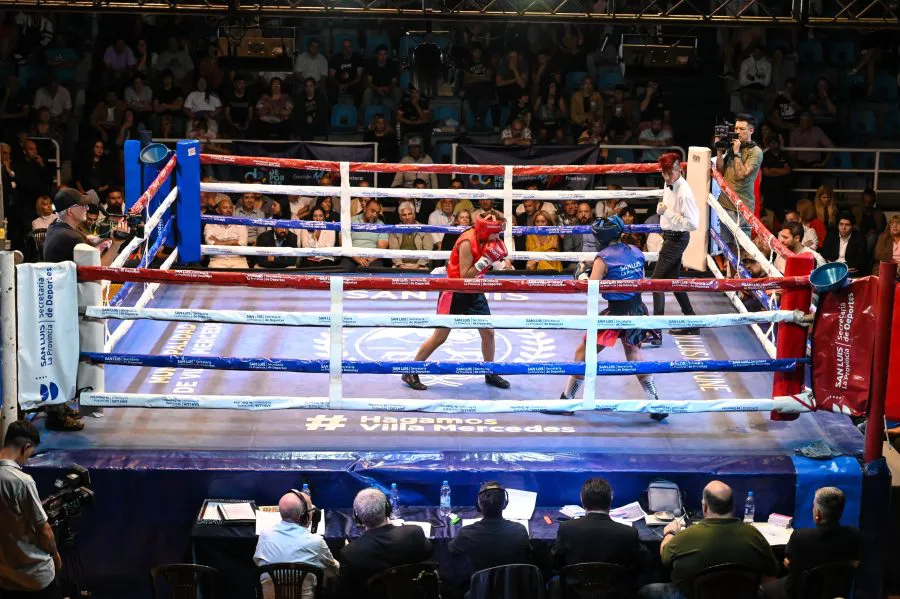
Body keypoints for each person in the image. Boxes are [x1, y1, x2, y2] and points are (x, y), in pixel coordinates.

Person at [560, 216, 665, 421]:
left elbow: (591, 287)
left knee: (584, 351)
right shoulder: (636, 251)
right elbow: (637, 278)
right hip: (637, 308)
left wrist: (582, 276)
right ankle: (655, 402)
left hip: (616, 312)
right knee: (634, 354)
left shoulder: (603, 258)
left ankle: (567, 400)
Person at [402, 213, 511, 392]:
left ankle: (489, 371)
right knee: (440, 337)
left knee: (488, 333)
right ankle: (410, 371)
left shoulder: (487, 240)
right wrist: (486, 260)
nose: (499, 236)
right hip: (454, 292)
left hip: (474, 291)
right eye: (497, 232)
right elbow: (463, 277)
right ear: (487, 229)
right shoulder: (467, 241)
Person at [638, 481, 778, 599]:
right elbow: (772, 574)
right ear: (733, 506)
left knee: (648, 591)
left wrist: (670, 532)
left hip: (689, 595)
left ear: (704, 506)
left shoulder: (686, 537)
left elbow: (665, 556)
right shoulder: (754, 535)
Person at [761, 487, 860, 599]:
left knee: (763, 589)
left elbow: (788, 562)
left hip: (799, 593)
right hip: (835, 594)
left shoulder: (800, 537)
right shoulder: (854, 535)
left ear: (817, 513)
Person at [0, 420, 62, 599]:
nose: (27, 460)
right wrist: (55, 554)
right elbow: (44, 531)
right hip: (34, 577)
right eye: (29, 454)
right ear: (26, 447)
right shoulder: (22, 481)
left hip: (5, 577)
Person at [551, 478, 650, 588]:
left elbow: (555, 563)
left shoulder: (566, 529)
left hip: (575, 592)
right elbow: (644, 563)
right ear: (611, 499)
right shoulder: (629, 533)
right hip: (615, 593)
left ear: (582, 500)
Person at [338, 489, 432, 599]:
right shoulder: (414, 533)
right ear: (388, 509)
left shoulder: (350, 553)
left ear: (357, 517)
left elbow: (347, 590)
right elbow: (429, 553)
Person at [442, 482, 531, 591]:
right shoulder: (520, 530)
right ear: (505, 504)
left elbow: (451, 548)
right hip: (512, 590)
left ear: (478, 506)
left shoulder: (467, 533)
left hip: (480, 590)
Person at [650, 153, 699, 341]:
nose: (667, 177)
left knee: (656, 282)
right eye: (664, 173)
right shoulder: (668, 182)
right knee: (673, 280)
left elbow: (693, 224)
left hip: (677, 239)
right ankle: (692, 323)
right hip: (671, 236)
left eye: (670, 173)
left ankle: (656, 331)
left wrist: (667, 213)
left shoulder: (684, 192)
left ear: (680, 170)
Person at [254, 491, 338, 599]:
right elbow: (333, 571)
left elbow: (257, 561)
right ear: (304, 516)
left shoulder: (264, 535)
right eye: (311, 510)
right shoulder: (316, 542)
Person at [715, 113, 763, 237]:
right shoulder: (733, 147)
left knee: (741, 247)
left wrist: (736, 153)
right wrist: (719, 152)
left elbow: (742, 175)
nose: (737, 132)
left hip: (742, 207)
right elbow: (721, 171)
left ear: (751, 130)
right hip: (725, 203)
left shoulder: (756, 152)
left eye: (742, 129)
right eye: (736, 128)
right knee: (726, 248)